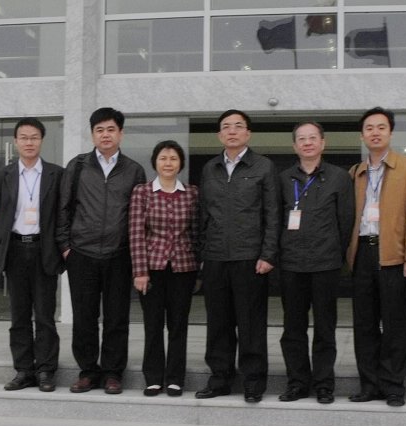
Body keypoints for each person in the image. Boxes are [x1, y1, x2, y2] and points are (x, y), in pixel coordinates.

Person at [57, 107, 146, 394]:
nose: (105, 135)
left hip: (119, 254)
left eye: (110, 129)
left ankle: (113, 373)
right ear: (92, 134)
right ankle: (87, 371)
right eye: (99, 130)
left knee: (116, 317)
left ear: (121, 133)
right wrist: (66, 247)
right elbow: (63, 208)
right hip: (82, 253)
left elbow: (139, 215)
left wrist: (135, 254)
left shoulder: (133, 170)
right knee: (84, 316)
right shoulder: (78, 166)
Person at [196, 109, 279, 403]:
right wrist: (202, 254)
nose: (232, 131)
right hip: (216, 257)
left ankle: (253, 381)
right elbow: (203, 215)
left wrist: (268, 254)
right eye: (226, 127)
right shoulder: (210, 168)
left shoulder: (263, 166)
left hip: (250, 258)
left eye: (238, 126)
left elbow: (272, 214)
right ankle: (220, 378)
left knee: (250, 324)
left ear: (248, 133)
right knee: (218, 323)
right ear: (219, 135)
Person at [346, 106, 406, 407]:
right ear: (362, 135)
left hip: (394, 254)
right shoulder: (355, 173)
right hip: (362, 252)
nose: (375, 133)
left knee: (395, 323)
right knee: (364, 324)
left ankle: (393, 385)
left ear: (390, 132)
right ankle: (369, 385)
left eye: (381, 127)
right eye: (369, 128)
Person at [278, 121, 354, 405]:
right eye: (302, 138)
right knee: (293, 328)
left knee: (325, 327)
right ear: (294, 145)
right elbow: (276, 218)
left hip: (325, 264)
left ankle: (323, 384)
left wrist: (334, 252)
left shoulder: (339, 177)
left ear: (323, 143)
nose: (307, 143)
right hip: (291, 264)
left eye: (312, 138)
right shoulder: (283, 178)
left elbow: (346, 221)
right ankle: (297, 383)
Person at [0, 117, 64, 392]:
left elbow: (62, 214)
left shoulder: (57, 174)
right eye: (24, 137)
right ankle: (23, 370)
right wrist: (1, 251)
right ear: (15, 141)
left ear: (41, 141)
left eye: (34, 137)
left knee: (45, 315)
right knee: (19, 315)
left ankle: (46, 370)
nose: (29, 142)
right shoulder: (3, 175)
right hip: (15, 249)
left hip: (44, 249)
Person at [129, 140, 199, 397]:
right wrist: (140, 271)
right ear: (155, 163)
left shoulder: (192, 193)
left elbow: (195, 233)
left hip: (184, 268)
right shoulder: (142, 192)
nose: (168, 163)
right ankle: (153, 378)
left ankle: (175, 378)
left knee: (178, 325)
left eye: (173, 158)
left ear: (180, 163)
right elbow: (136, 233)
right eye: (163, 158)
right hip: (152, 269)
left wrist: (199, 270)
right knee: (153, 324)